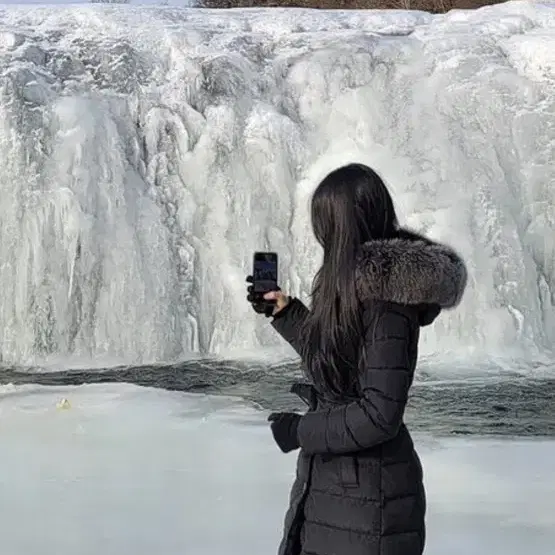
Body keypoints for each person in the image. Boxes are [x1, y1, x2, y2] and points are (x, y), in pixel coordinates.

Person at [246, 163, 467, 555]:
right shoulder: (358, 289)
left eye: (325, 224)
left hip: (369, 499)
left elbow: (379, 414)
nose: (322, 236)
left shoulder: (388, 305)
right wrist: (285, 312)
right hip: (339, 489)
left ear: (344, 225)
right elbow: (339, 361)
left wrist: (301, 431)